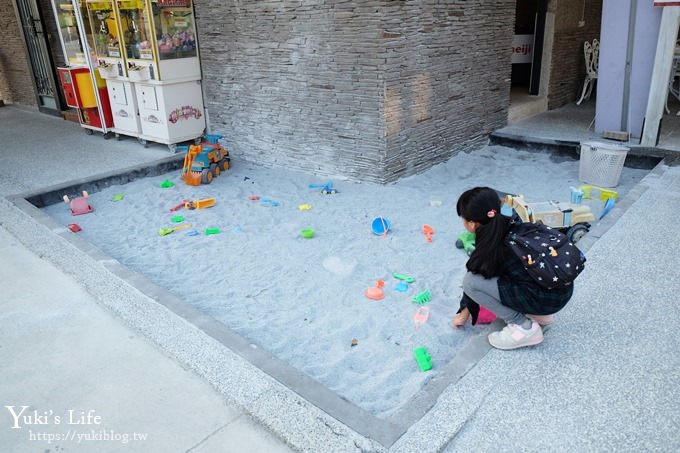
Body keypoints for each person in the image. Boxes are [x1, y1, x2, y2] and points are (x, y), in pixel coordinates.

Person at [452, 187, 574, 350]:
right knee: (504, 275)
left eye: (464, 219)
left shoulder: (492, 246)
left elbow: (474, 280)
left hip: (546, 300)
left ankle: (523, 327)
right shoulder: (514, 224)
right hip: (561, 291)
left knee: (471, 282)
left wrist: (462, 315)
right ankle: (539, 315)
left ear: (473, 224)